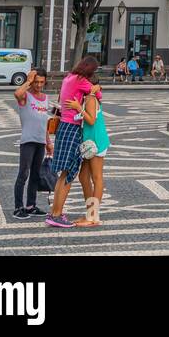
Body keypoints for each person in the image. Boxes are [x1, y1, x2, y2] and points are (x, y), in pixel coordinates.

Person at [46, 56, 100, 228]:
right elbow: (97, 93)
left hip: (63, 126)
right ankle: (56, 215)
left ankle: (55, 212)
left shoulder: (68, 77)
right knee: (69, 173)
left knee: (63, 174)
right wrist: (95, 89)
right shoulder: (80, 80)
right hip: (72, 128)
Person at [12, 68, 53, 220]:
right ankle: (18, 207)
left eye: (41, 82)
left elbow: (44, 123)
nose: (39, 85)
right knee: (23, 173)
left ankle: (30, 206)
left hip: (40, 142)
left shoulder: (45, 98)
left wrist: (48, 142)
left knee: (35, 175)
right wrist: (28, 81)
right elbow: (16, 94)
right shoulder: (26, 97)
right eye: (36, 82)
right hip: (28, 141)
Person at [72, 81, 110, 226]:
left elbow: (91, 120)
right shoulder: (88, 97)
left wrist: (78, 109)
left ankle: (94, 217)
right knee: (83, 177)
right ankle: (90, 213)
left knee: (97, 177)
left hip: (96, 142)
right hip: (89, 143)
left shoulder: (90, 98)